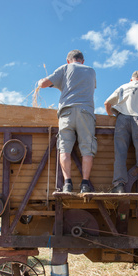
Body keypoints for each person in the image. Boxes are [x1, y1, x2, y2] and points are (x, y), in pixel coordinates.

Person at [37, 50, 97, 193]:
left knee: (64, 149)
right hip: (86, 112)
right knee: (87, 149)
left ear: (68, 60)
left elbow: (44, 84)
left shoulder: (65, 68)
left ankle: (67, 184)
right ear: (82, 61)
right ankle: (84, 184)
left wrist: (40, 82)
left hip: (67, 113)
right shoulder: (91, 71)